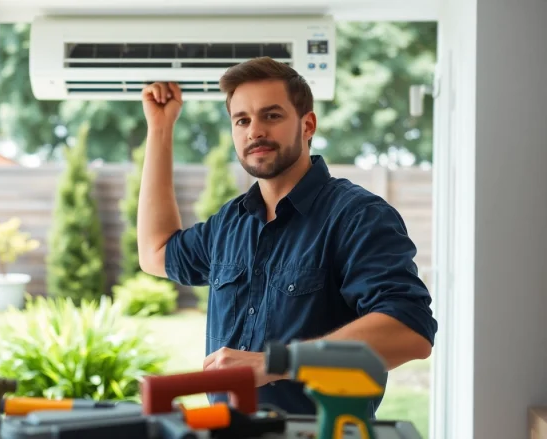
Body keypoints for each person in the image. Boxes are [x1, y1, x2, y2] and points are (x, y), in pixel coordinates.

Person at [135, 56, 438, 418]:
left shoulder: (357, 216)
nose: (254, 131)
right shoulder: (231, 222)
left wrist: (274, 362)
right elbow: (156, 252)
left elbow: (409, 331)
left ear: (307, 124)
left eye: (272, 115)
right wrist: (160, 129)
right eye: (242, 120)